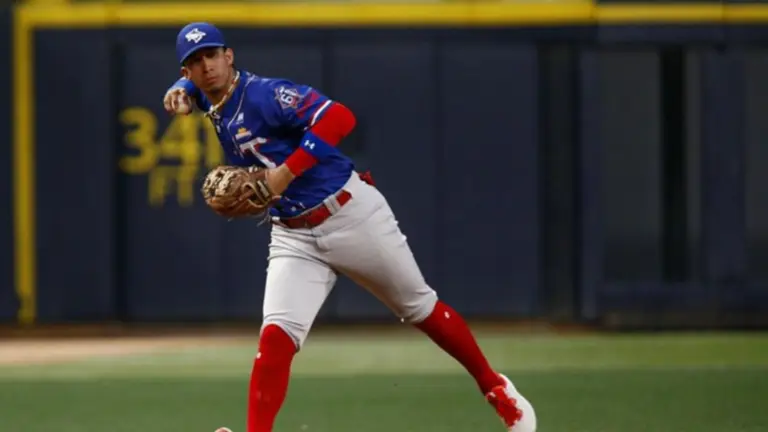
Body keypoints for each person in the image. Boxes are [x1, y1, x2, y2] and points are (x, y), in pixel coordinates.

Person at [163, 22, 537, 432]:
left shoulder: (266, 94)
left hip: (348, 213)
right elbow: (204, 88)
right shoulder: (209, 96)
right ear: (186, 71)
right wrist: (185, 91)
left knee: (420, 308)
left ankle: (495, 387)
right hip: (293, 233)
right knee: (276, 336)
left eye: (212, 55)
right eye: (195, 62)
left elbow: (339, 117)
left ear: (229, 56)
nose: (207, 66)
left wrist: (285, 173)